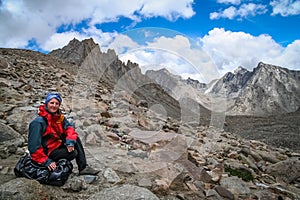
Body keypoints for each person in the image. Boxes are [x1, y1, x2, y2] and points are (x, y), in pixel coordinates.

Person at [28, 92, 100, 175]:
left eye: (57, 103)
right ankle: (54, 163)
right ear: (46, 104)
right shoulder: (38, 122)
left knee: (75, 138)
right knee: (73, 153)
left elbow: (69, 128)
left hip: (55, 145)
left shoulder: (58, 117)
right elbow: (33, 147)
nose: (54, 106)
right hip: (47, 152)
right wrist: (46, 161)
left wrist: (70, 142)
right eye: (52, 103)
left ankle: (83, 167)